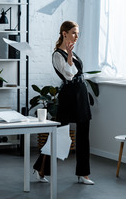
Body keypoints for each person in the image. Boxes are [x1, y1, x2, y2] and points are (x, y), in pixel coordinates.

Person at [33, 20, 94, 185]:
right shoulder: (57, 55)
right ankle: (40, 169)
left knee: (84, 135)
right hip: (68, 96)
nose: (76, 37)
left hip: (81, 94)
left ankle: (83, 174)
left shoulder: (72, 52)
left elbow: (79, 74)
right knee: (59, 134)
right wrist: (68, 56)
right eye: (73, 33)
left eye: (78, 34)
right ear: (64, 33)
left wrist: (71, 55)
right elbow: (69, 75)